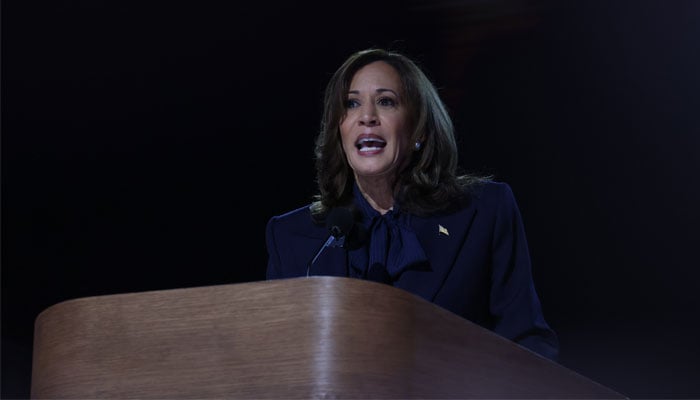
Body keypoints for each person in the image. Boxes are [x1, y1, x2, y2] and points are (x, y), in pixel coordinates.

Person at [264, 48, 559, 361]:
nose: (367, 116)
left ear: (418, 129)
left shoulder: (484, 212)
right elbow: (277, 360)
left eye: (386, 101)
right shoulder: (293, 238)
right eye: (351, 104)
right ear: (339, 130)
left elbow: (528, 341)